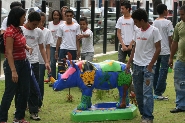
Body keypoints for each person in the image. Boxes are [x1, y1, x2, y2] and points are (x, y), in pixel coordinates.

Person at [126, 9, 161, 123]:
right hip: (136, 65)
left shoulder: (154, 31)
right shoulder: (137, 30)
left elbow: (158, 48)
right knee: (138, 92)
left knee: (147, 93)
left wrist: (151, 65)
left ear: (142, 20)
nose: (135, 24)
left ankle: (148, 117)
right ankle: (143, 114)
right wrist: (129, 62)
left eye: (136, 21)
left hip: (147, 67)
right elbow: (135, 47)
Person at [0, 7, 32, 123]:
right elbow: (8, 52)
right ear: (17, 17)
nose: (25, 19)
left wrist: (27, 47)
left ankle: (19, 117)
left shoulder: (19, 29)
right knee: (10, 91)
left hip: (24, 63)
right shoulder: (9, 32)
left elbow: (21, 42)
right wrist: (13, 70)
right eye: (23, 16)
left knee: (25, 91)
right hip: (13, 65)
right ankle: (2, 118)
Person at [21, 11, 51, 120]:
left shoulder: (38, 32)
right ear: (28, 21)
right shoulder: (21, 30)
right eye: (33, 24)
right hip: (22, 62)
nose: (35, 26)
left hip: (34, 62)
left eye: (37, 24)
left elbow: (42, 48)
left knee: (34, 86)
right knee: (22, 87)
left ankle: (34, 111)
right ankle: (20, 110)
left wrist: (46, 61)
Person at [153, 4, 174, 100]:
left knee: (156, 71)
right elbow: (170, 38)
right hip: (165, 51)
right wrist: (172, 51)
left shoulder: (154, 23)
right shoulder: (168, 23)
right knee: (163, 71)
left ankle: (155, 90)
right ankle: (158, 92)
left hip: (156, 50)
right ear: (164, 11)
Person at [169, 5, 185, 113]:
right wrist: (171, 57)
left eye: (183, 14)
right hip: (180, 60)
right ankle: (181, 105)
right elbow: (174, 42)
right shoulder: (179, 25)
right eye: (180, 15)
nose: (181, 16)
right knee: (179, 83)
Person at [38, 12, 53, 109]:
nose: (41, 24)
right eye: (39, 21)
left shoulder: (47, 32)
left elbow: (47, 48)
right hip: (31, 60)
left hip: (41, 61)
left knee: (40, 82)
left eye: (43, 22)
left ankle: (39, 103)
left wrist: (47, 61)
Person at [48, 10, 62, 79]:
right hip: (52, 45)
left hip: (61, 46)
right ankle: (53, 78)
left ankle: (60, 78)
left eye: (57, 15)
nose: (56, 16)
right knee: (53, 62)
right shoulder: (50, 24)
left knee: (60, 63)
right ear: (52, 16)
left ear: (59, 16)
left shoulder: (62, 23)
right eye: (54, 15)